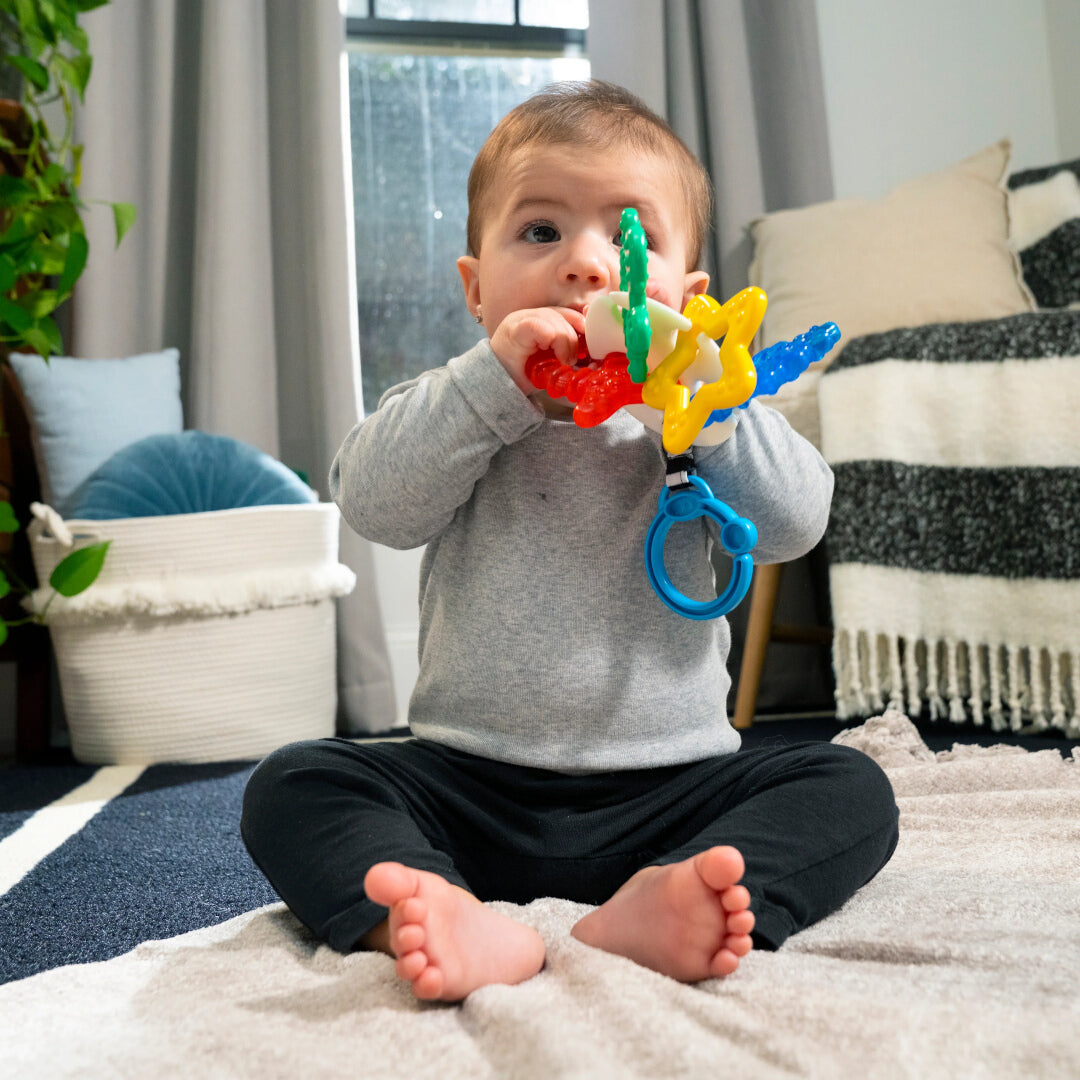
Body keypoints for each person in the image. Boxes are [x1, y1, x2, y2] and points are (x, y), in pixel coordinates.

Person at [241, 80, 899, 1003]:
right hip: (468, 785)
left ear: (689, 295)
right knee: (292, 783)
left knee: (851, 790)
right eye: (541, 232)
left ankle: (670, 900)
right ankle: (434, 907)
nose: (589, 267)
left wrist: (711, 409)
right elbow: (376, 506)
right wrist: (490, 386)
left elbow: (797, 523)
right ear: (477, 290)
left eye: (631, 239)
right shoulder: (461, 407)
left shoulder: (706, 416)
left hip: (674, 791)